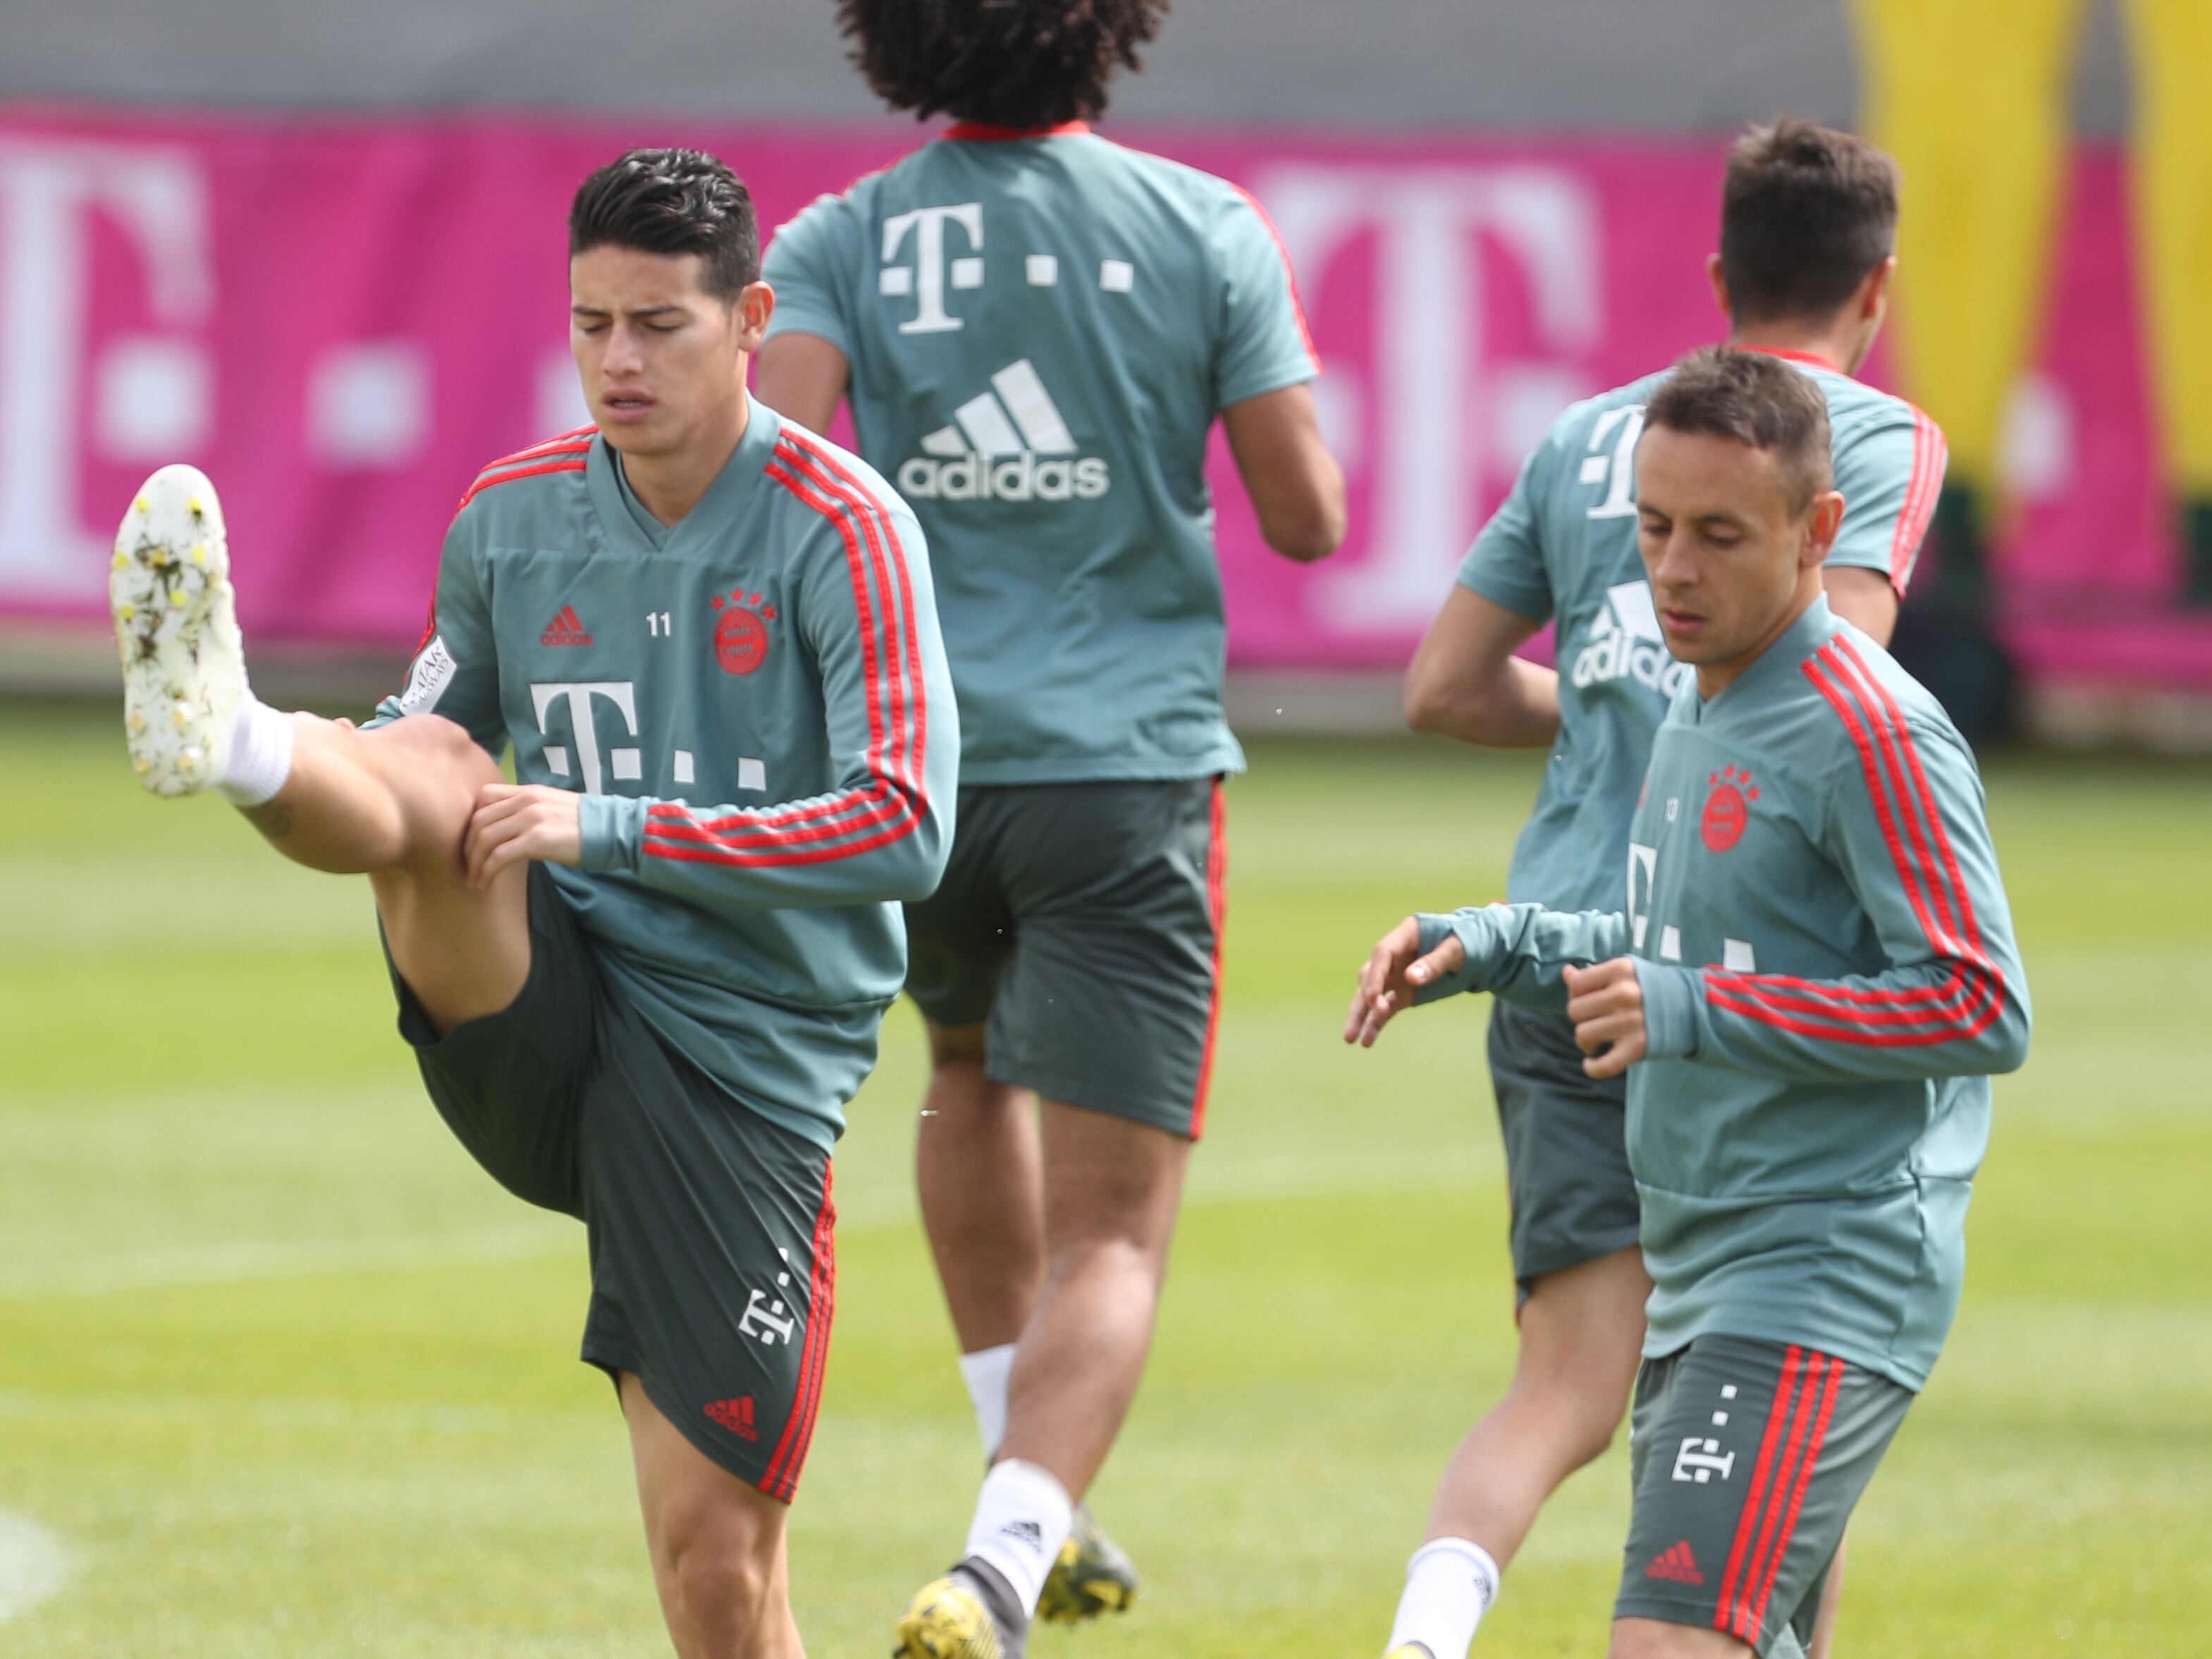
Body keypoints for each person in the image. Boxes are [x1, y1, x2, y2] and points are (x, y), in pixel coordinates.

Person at [108, 147, 955, 1659]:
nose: (618, 362)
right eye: (591, 324)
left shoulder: (843, 526)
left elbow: (906, 825)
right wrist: (337, 768)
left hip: (740, 1072)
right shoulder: (508, 519)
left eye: (660, 326)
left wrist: (612, 825)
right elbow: (415, 762)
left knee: (716, 1570)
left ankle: (243, 731)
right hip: (545, 1006)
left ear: (752, 317)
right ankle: (228, 731)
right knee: (426, 763)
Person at [751, 1, 1345, 1652]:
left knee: (960, 1076)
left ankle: (1034, 1492)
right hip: (1123, 771)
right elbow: (1309, 516)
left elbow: (768, 482)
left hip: (919, 772)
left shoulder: (843, 235)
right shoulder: (1200, 223)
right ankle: (1008, 1557)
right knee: (1114, 1227)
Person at [1350, 345, 2029, 1659]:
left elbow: (1977, 1005)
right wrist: (1491, 940)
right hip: (1704, 1267)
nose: (1672, 568)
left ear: (1817, 531)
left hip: (1816, 1273)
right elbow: (1678, 937)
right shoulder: (1704, 702)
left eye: (1719, 534)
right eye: (1654, 528)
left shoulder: (1867, 728)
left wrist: (1693, 1011)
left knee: (1665, 1640)